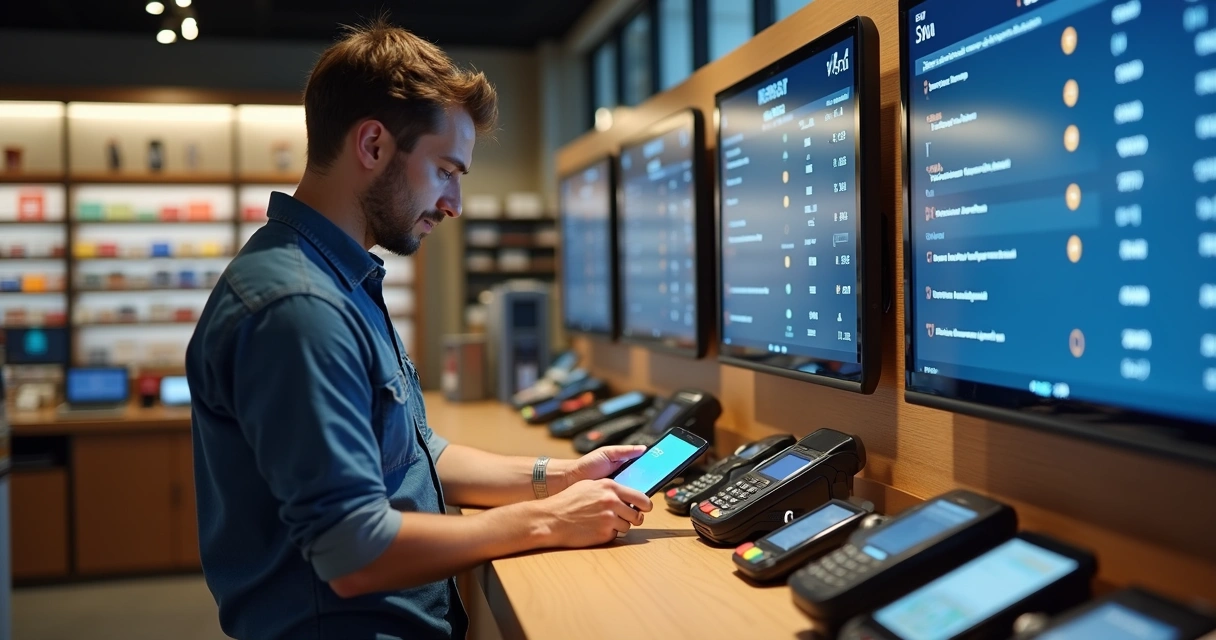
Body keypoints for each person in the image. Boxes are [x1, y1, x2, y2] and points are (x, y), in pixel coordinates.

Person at [185, 20, 653, 640]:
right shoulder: (298, 307)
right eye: (446, 171)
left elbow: (414, 453)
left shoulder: (338, 279)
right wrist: (549, 522)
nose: (454, 202)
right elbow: (353, 550)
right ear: (373, 145)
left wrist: (554, 479)